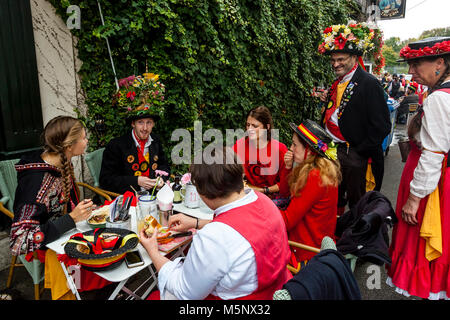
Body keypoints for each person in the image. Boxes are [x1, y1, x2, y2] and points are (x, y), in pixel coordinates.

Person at [140, 147, 292, 300]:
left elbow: (185, 292)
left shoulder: (214, 237)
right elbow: (241, 228)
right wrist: (196, 222)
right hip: (277, 287)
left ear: (202, 192)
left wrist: (153, 251)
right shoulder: (264, 201)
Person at [386, 36, 450, 300]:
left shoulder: (439, 99)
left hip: (432, 189)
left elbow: (433, 154)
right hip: (439, 183)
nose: (411, 71)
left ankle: (429, 289)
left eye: (416, 64)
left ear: (440, 63)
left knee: (423, 246)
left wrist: (414, 199)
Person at [317, 22, 391, 214]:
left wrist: (359, 151)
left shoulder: (369, 84)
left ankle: (357, 240)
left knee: (359, 204)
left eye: (340, 59)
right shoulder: (338, 82)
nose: (335, 64)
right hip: (332, 150)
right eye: (333, 60)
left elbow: (382, 126)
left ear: (354, 57)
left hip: (354, 155)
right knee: (333, 196)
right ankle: (336, 235)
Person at [278, 120, 341, 264]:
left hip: (306, 253)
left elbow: (287, 221)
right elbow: (284, 194)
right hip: (312, 243)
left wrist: (260, 210)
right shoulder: (315, 169)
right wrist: (287, 167)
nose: (291, 148)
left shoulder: (315, 176)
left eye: (295, 144)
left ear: (309, 149)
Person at [99, 108, 170, 195]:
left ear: (153, 124)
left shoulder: (156, 141)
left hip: (154, 195)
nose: (145, 128)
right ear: (133, 124)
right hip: (128, 198)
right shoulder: (116, 145)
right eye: (140, 122)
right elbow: (106, 180)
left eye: (149, 122)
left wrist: (161, 178)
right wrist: (136, 181)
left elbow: (164, 165)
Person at [233, 106, 290, 208]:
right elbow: (228, 169)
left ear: (267, 127)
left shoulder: (280, 149)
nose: (250, 129)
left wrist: (264, 190)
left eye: (255, 126)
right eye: (248, 125)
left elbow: (285, 184)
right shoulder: (240, 145)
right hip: (247, 193)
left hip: (272, 197)